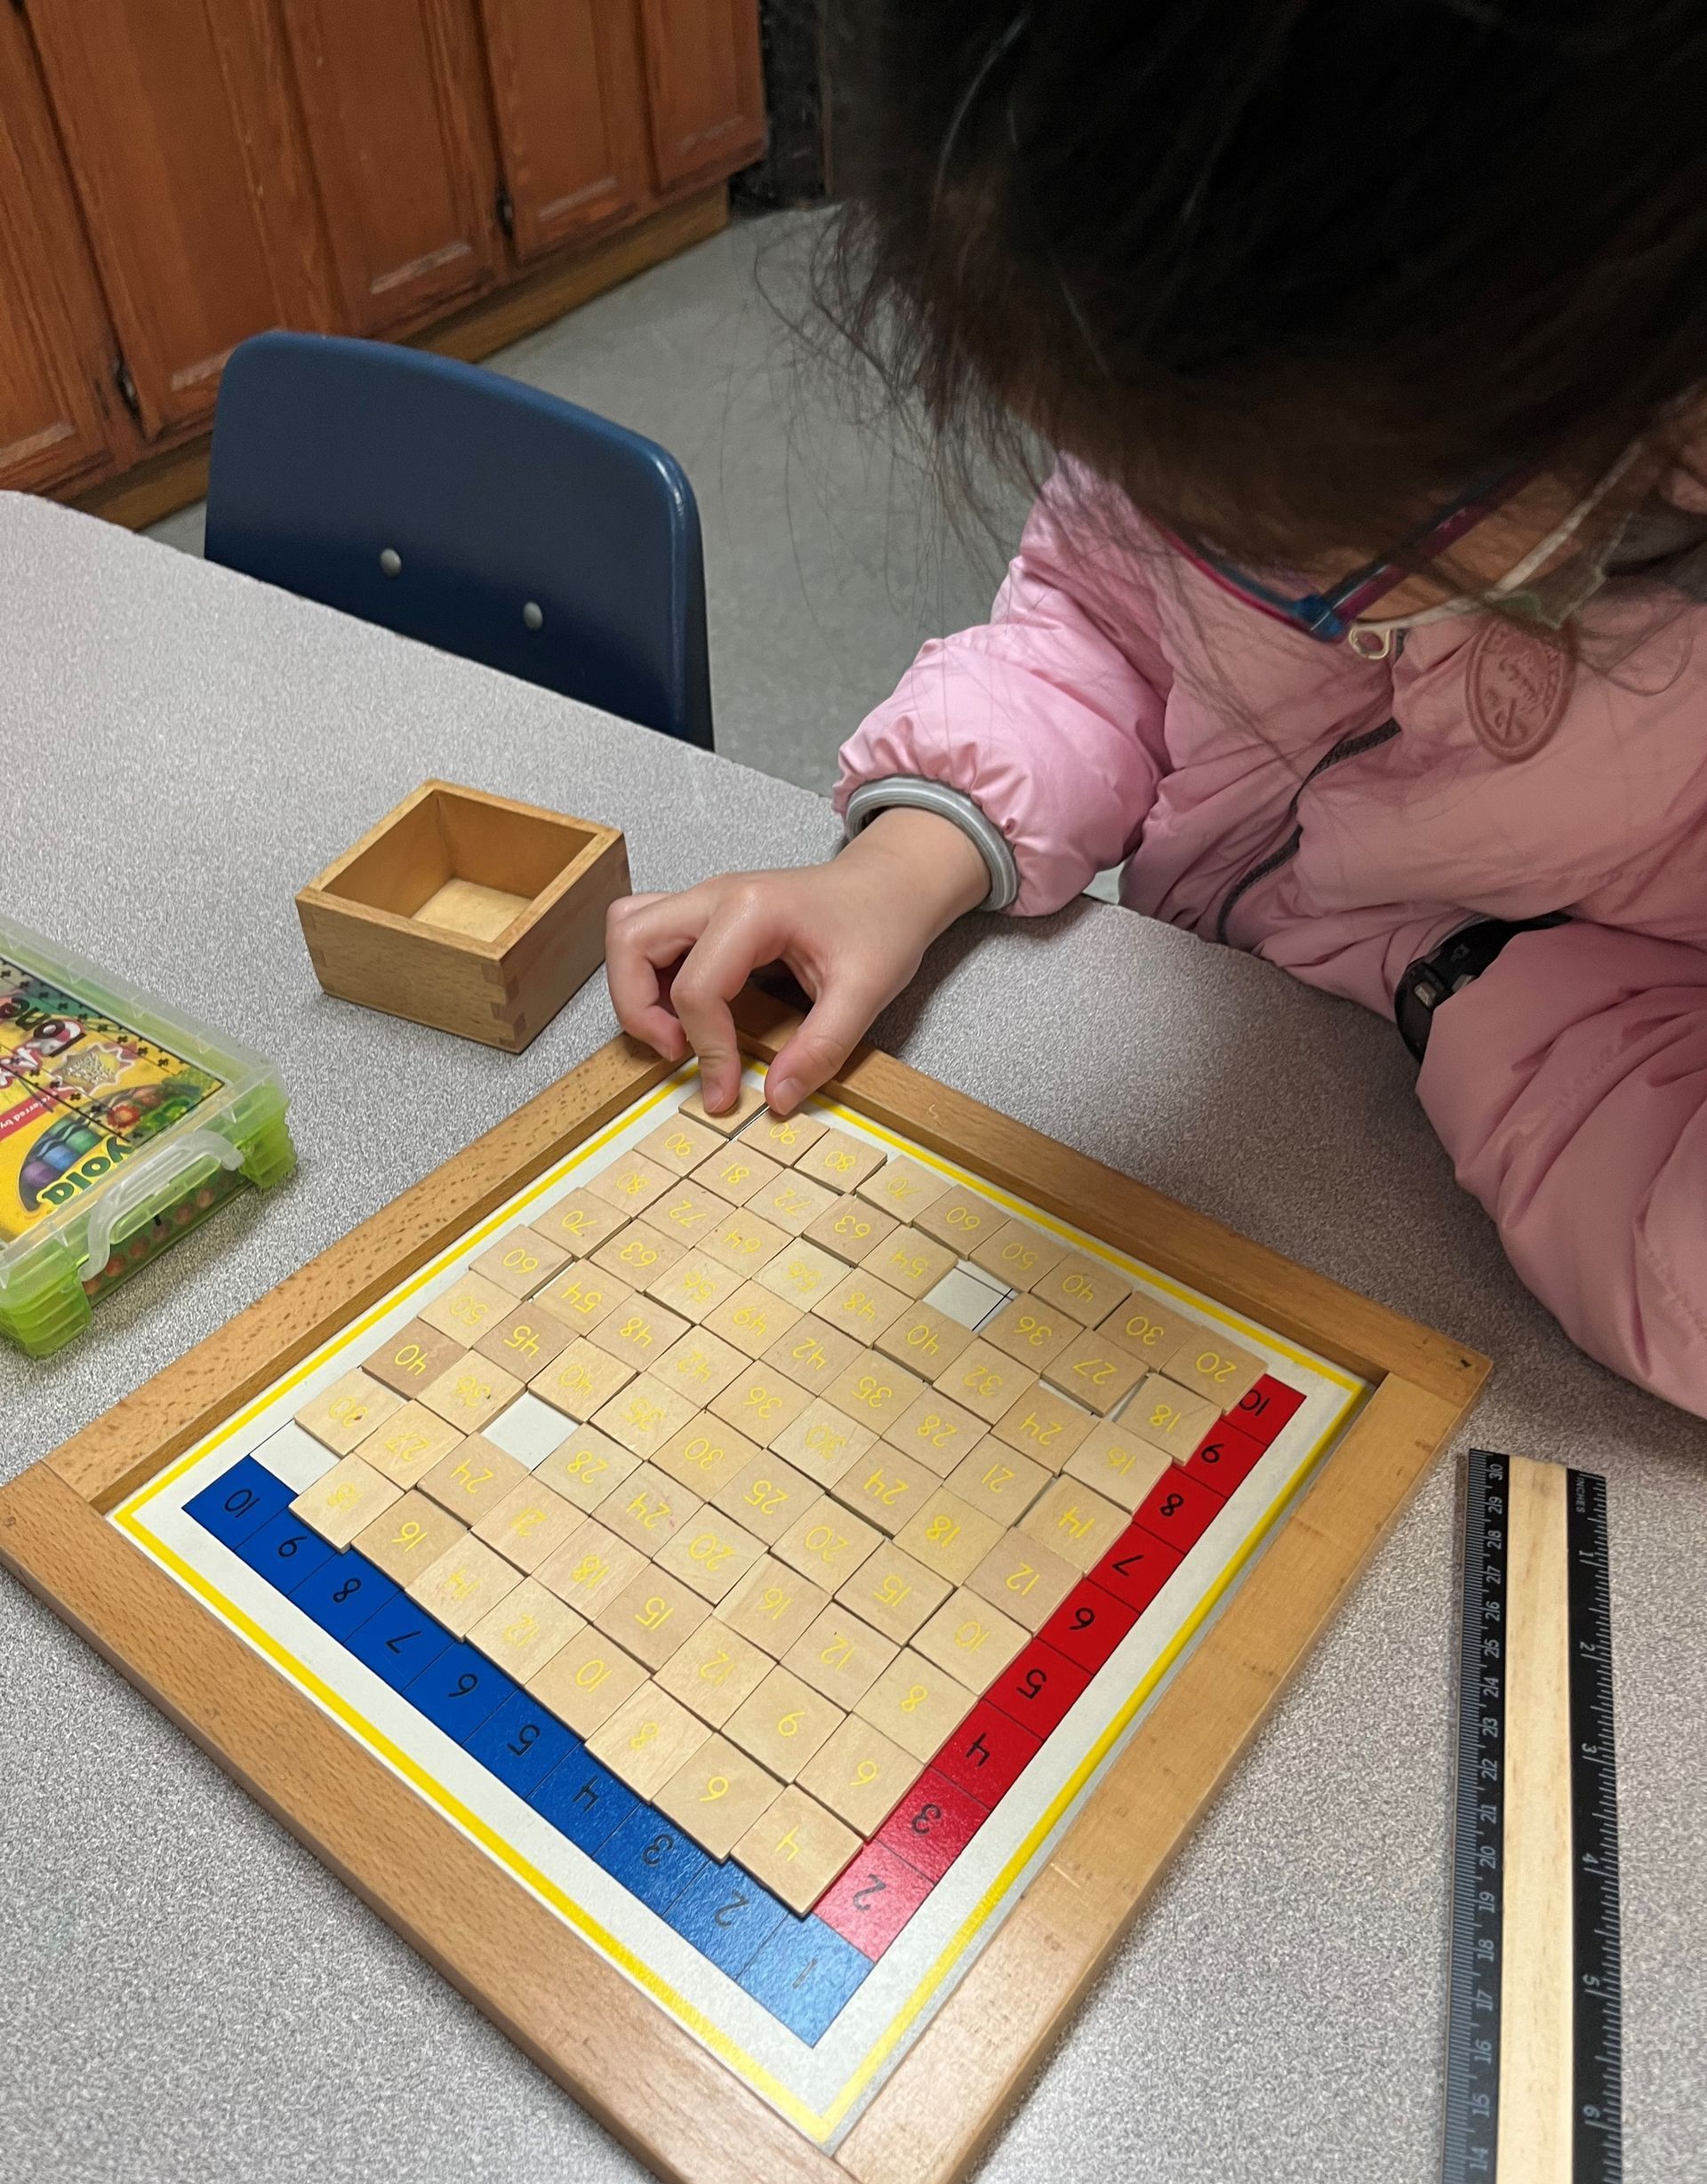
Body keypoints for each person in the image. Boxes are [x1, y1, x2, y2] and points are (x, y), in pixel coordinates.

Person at [605, 1, 1707, 1419]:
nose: (1211, 548)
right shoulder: (1236, 346)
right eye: (1165, 491)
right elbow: (1102, 617)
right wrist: (904, 859)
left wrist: (1469, 979)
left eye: (1289, 530)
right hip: (1241, 1048)